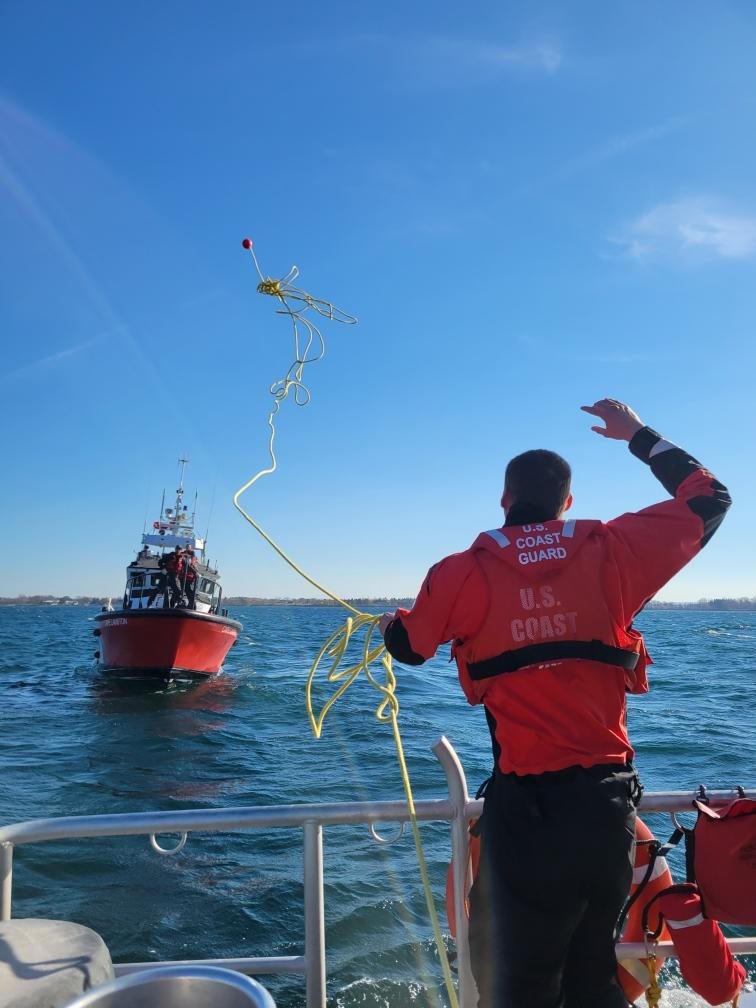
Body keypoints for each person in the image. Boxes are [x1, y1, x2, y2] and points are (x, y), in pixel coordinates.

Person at [379, 399, 731, 1008]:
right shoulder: (614, 550)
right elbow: (711, 499)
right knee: (593, 974)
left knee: (515, 985)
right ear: (567, 503)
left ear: (504, 501)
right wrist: (637, 435)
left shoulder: (461, 572)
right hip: (604, 809)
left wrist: (390, 626)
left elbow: (410, 649)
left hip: (525, 815)